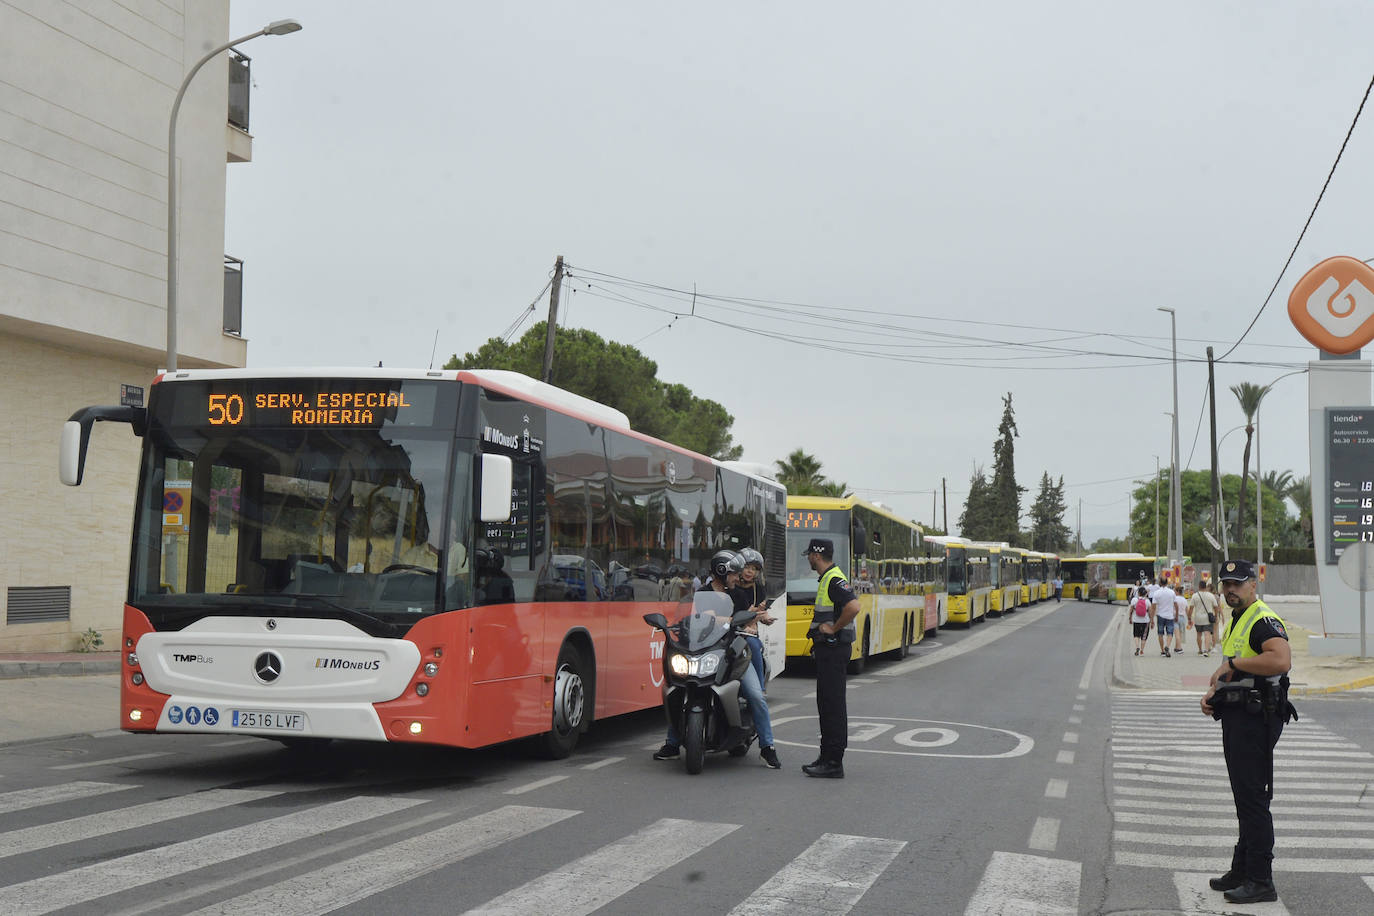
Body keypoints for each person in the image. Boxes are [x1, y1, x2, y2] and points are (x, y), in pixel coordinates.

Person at [1200, 559, 1298, 905]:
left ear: (1253, 585)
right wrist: (1215, 690)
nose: (1230, 590)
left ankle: (1260, 879)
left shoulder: (1261, 619)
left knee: (1254, 801)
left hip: (1256, 721)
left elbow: (1280, 659)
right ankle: (1241, 870)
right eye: (1226, 583)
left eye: (1237, 584)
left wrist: (1233, 665)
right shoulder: (1239, 618)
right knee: (1246, 800)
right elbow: (1237, 665)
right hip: (1241, 717)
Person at [653, 549, 781, 770]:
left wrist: (739, 620)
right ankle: (672, 744)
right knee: (680, 688)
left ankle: (767, 747)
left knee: (755, 695)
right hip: (706, 651)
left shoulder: (737, 594)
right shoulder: (700, 594)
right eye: (733, 574)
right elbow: (689, 619)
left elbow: (744, 621)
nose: (737, 578)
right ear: (722, 573)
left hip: (735, 652)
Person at [802, 537, 860, 779]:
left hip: (834, 650)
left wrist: (834, 629)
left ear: (816, 555)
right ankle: (826, 756)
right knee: (826, 704)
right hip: (829, 651)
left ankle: (833, 761)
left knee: (833, 705)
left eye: (809, 555)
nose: (808, 559)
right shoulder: (828, 578)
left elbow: (854, 606)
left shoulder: (834, 579)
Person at [732, 547, 776, 689]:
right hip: (729, 630)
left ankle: (759, 686)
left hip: (748, 633)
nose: (750, 572)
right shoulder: (730, 587)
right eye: (746, 567)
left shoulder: (759, 589)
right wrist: (752, 614)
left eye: (754, 569)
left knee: (754, 646)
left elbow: (758, 614)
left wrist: (765, 617)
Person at [1190, 579, 1220, 656]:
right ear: (1205, 586)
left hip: (1198, 618)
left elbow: (1191, 608)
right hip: (1208, 618)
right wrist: (1216, 615)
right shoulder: (1211, 596)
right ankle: (1206, 650)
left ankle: (1200, 650)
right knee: (1207, 634)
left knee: (1199, 634)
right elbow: (1216, 607)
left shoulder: (1195, 596)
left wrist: (1189, 617)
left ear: (1199, 586)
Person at [1151, 577, 1177, 657]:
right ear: (1167, 583)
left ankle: (1162, 650)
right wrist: (1176, 615)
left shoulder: (1156, 593)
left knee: (1160, 633)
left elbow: (1153, 607)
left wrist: (1152, 619)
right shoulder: (1172, 592)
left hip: (1160, 615)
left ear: (1160, 583)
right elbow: (1176, 604)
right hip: (1170, 615)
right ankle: (1167, 646)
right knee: (1170, 633)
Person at [1128, 585, 1152, 656]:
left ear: (1138, 593)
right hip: (1145, 621)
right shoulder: (1147, 601)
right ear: (1145, 593)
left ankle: (1137, 647)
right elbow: (1150, 612)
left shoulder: (1134, 600)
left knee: (1136, 635)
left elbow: (1131, 610)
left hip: (1136, 620)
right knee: (1144, 637)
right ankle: (1141, 650)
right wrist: (1152, 620)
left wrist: (1130, 618)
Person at [1173, 586, 1189, 655]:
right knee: (1180, 633)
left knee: (1177, 634)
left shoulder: (1175, 599)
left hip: (1175, 617)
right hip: (1182, 618)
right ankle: (1176, 647)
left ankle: (1179, 648)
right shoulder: (1184, 600)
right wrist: (1189, 619)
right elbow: (1187, 610)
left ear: (1177, 591)